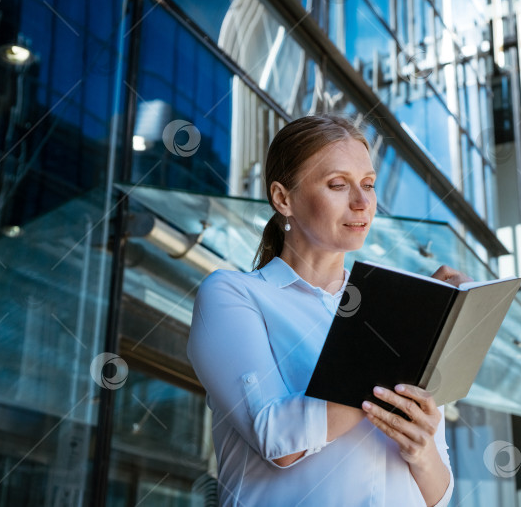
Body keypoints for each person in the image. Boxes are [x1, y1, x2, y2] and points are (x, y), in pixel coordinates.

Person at [187, 114, 473, 506]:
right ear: (283, 198)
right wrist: (404, 322)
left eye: (369, 185)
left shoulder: (384, 315)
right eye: (338, 185)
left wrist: (422, 451)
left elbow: (438, 496)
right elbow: (276, 438)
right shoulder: (233, 295)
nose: (361, 202)